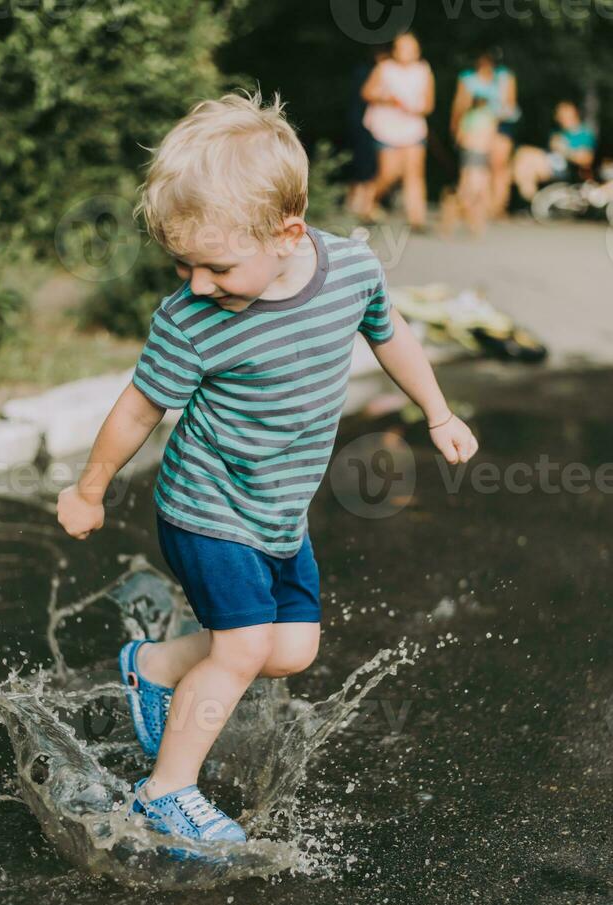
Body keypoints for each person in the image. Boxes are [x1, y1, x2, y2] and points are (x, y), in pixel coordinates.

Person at [56, 91, 478, 857]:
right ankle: (166, 793)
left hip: (278, 514)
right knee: (244, 649)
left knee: (292, 650)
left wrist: (438, 411)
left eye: (215, 264)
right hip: (204, 506)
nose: (194, 283)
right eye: (181, 263)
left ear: (287, 233)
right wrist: (89, 489)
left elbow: (392, 334)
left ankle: (150, 667)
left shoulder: (349, 269)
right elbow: (136, 410)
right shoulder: (191, 321)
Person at [359, 32, 435, 230]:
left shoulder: (424, 70)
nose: (407, 52)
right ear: (395, 50)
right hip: (387, 128)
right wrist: (389, 100)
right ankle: (368, 202)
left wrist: (416, 108)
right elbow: (366, 92)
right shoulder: (385, 68)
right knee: (389, 173)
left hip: (413, 128)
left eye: (411, 47)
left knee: (414, 173)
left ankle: (417, 219)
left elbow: (429, 104)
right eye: (402, 47)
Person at [450, 49, 520, 219]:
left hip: (501, 123)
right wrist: (456, 127)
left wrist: (492, 120)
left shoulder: (504, 76)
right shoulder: (468, 78)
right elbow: (460, 105)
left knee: (498, 165)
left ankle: (496, 207)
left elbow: (509, 105)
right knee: (475, 166)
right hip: (476, 125)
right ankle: (472, 206)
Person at [513, 100, 597, 202]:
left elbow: (586, 159)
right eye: (560, 116)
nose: (563, 119)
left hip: (566, 168)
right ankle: (533, 201)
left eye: (566, 115)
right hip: (551, 163)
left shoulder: (584, 133)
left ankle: (532, 202)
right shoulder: (557, 133)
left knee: (525, 159)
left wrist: (564, 150)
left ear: (575, 114)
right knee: (523, 159)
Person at [345, 45, 392, 217]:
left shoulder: (370, 71)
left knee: (371, 163)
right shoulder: (367, 72)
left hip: (378, 125)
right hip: (365, 123)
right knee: (365, 162)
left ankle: (364, 201)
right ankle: (358, 200)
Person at [441, 97, 497, 235]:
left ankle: (457, 222)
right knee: (473, 192)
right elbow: (490, 138)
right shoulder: (486, 117)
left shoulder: (468, 117)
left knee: (470, 191)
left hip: (470, 155)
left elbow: (460, 138)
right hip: (478, 155)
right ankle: (467, 222)